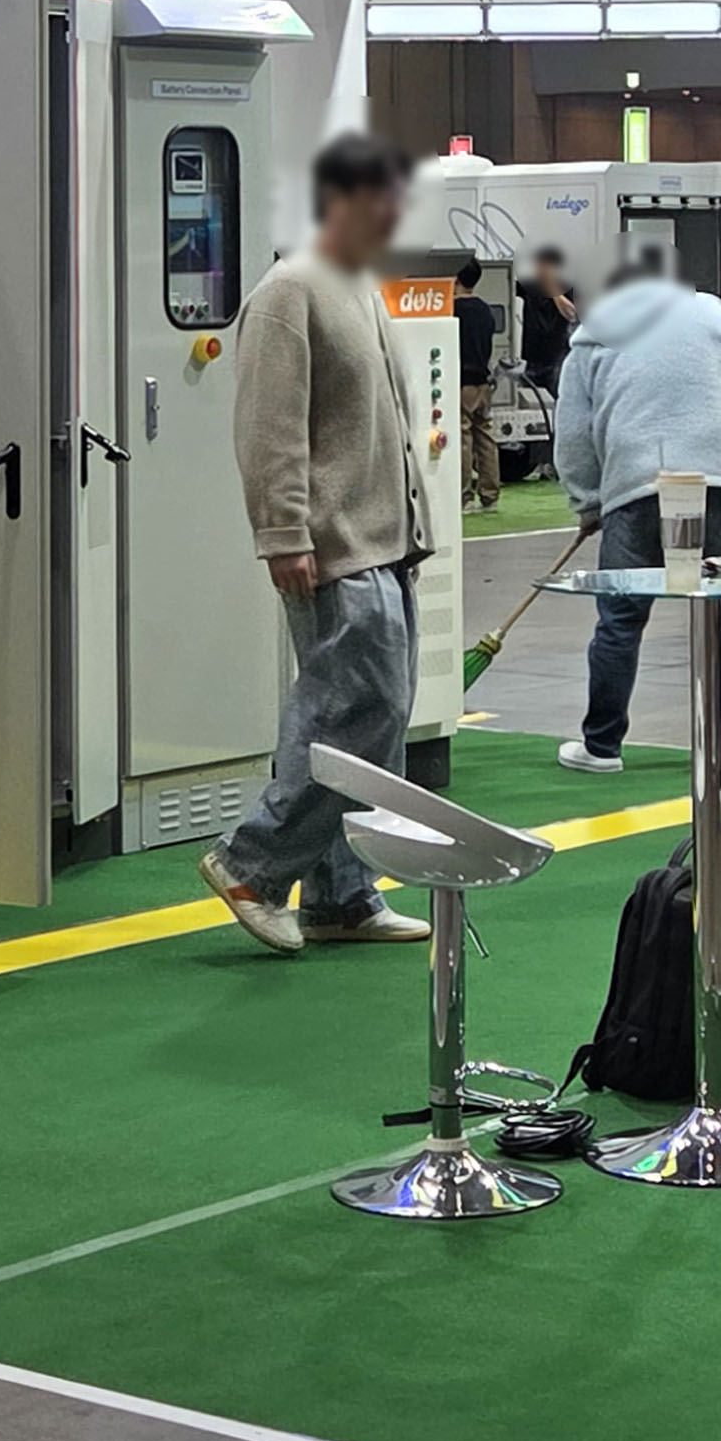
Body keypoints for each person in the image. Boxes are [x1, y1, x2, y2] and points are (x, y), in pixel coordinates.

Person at [203, 133, 435, 955]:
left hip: (385, 540)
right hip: (337, 542)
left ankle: (341, 893)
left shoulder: (357, 287)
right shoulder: (289, 292)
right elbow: (269, 429)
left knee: (373, 720)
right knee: (351, 713)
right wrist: (282, 532)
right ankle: (251, 866)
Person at [548, 267, 721, 775]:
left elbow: (574, 434)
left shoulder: (593, 333)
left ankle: (602, 747)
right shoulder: (710, 311)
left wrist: (588, 502)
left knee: (620, 619)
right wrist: (716, 423)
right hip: (716, 478)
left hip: (635, 485)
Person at [453, 278, 502, 512]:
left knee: (463, 437)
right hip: (483, 381)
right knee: (485, 436)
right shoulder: (485, 309)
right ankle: (490, 495)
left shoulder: (453, 309)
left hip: (462, 381)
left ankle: (465, 497)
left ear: (455, 279)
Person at [518, 247, 580, 395]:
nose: (540, 271)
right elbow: (504, 285)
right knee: (531, 399)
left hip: (557, 356)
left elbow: (572, 314)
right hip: (532, 357)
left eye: (544, 267)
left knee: (557, 397)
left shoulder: (567, 287)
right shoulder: (530, 286)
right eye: (537, 266)